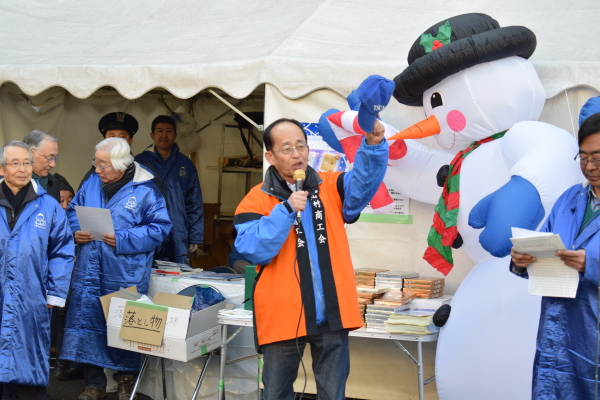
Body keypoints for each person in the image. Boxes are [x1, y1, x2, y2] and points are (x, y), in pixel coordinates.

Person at [233, 89, 389, 399]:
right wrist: (286, 209)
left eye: (301, 145)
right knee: (276, 392)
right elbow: (253, 249)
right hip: (282, 313)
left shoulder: (331, 185)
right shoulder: (255, 199)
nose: (297, 154)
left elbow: (363, 184)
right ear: (270, 156)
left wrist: (373, 144)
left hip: (330, 310)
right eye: (287, 148)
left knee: (333, 392)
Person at [60, 138, 172, 400]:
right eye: (95, 163)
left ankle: (125, 382)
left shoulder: (146, 189)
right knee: (87, 322)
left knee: (124, 324)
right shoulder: (91, 183)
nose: (97, 169)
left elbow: (160, 227)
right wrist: (76, 231)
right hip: (89, 267)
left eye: (102, 164)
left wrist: (124, 239)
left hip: (124, 271)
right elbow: (73, 210)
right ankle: (93, 384)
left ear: (121, 165)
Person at [510, 112, 600, 399]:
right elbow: (543, 239)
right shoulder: (570, 198)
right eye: (583, 158)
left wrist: (592, 264)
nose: (589, 166)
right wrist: (521, 259)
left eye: (597, 157)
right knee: (552, 388)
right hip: (556, 325)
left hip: (592, 329)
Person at [0, 141, 74, 400]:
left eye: (27, 163)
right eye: (15, 163)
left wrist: (54, 294)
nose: (22, 169)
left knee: (29, 361)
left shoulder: (48, 206)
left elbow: (62, 251)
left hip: (33, 297)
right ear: (1, 169)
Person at [135, 115, 204, 263]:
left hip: (177, 231)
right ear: (152, 135)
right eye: (160, 131)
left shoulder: (185, 164)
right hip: (146, 228)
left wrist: (195, 236)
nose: (164, 135)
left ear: (175, 135)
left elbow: (194, 201)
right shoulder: (140, 162)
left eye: (168, 131)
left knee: (176, 279)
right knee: (146, 275)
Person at [23, 129, 61, 201]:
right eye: (49, 157)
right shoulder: (8, 180)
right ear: (31, 153)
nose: (53, 164)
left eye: (55, 158)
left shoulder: (53, 183)